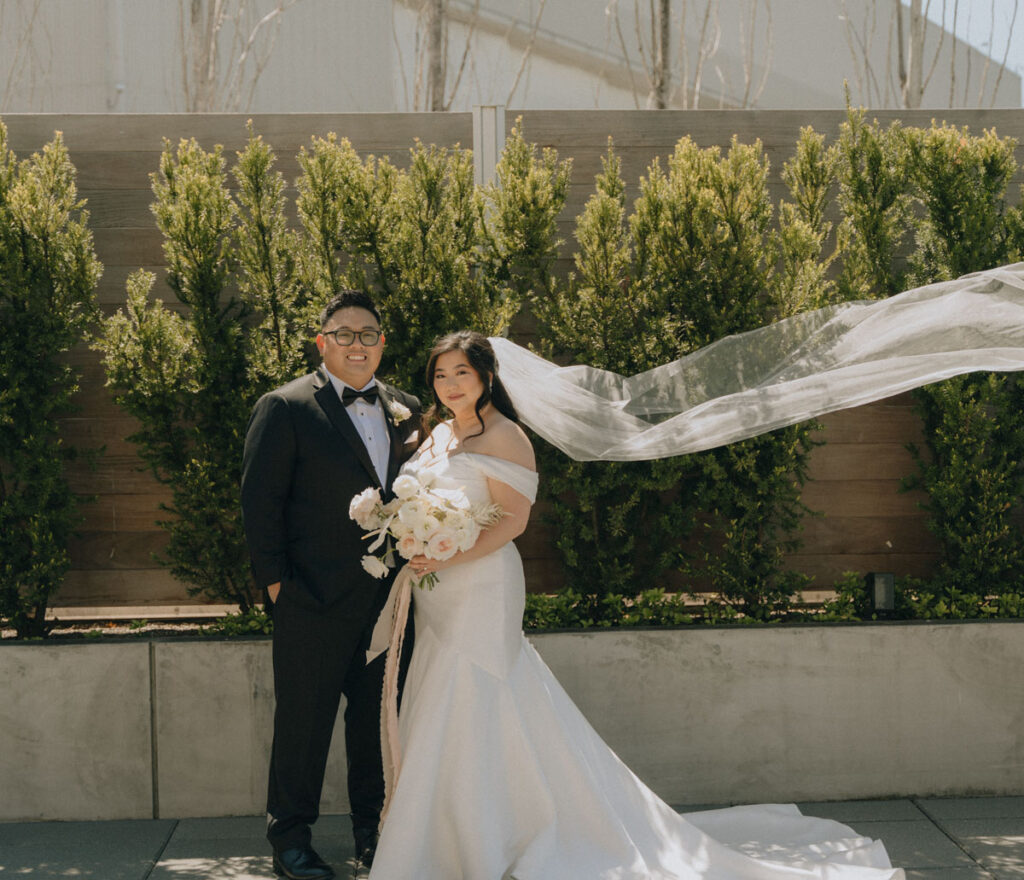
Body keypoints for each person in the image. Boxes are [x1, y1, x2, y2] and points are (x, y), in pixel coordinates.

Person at [366, 330, 903, 880]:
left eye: (461, 372)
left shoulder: (508, 437)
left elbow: (514, 521)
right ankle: (454, 831)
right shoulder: (437, 434)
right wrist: (412, 537)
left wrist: (447, 555)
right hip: (438, 591)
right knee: (443, 690)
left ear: (486, 377)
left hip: (480, 583)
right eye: (440, 374)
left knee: (478, 688)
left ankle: (491, 837)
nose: (450, 384)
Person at [241, 290, 421, 880]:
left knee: (376, 726)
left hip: (387, 604)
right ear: (322, 343)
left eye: (368, 334)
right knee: (304, 724)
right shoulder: (285, 406)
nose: (356, 344)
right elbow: (259, 505)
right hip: (310, 603)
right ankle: (290, 839)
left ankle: (374, 833)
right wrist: (276, 589)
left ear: (381, 343)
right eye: (343, 334)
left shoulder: (407, 408)